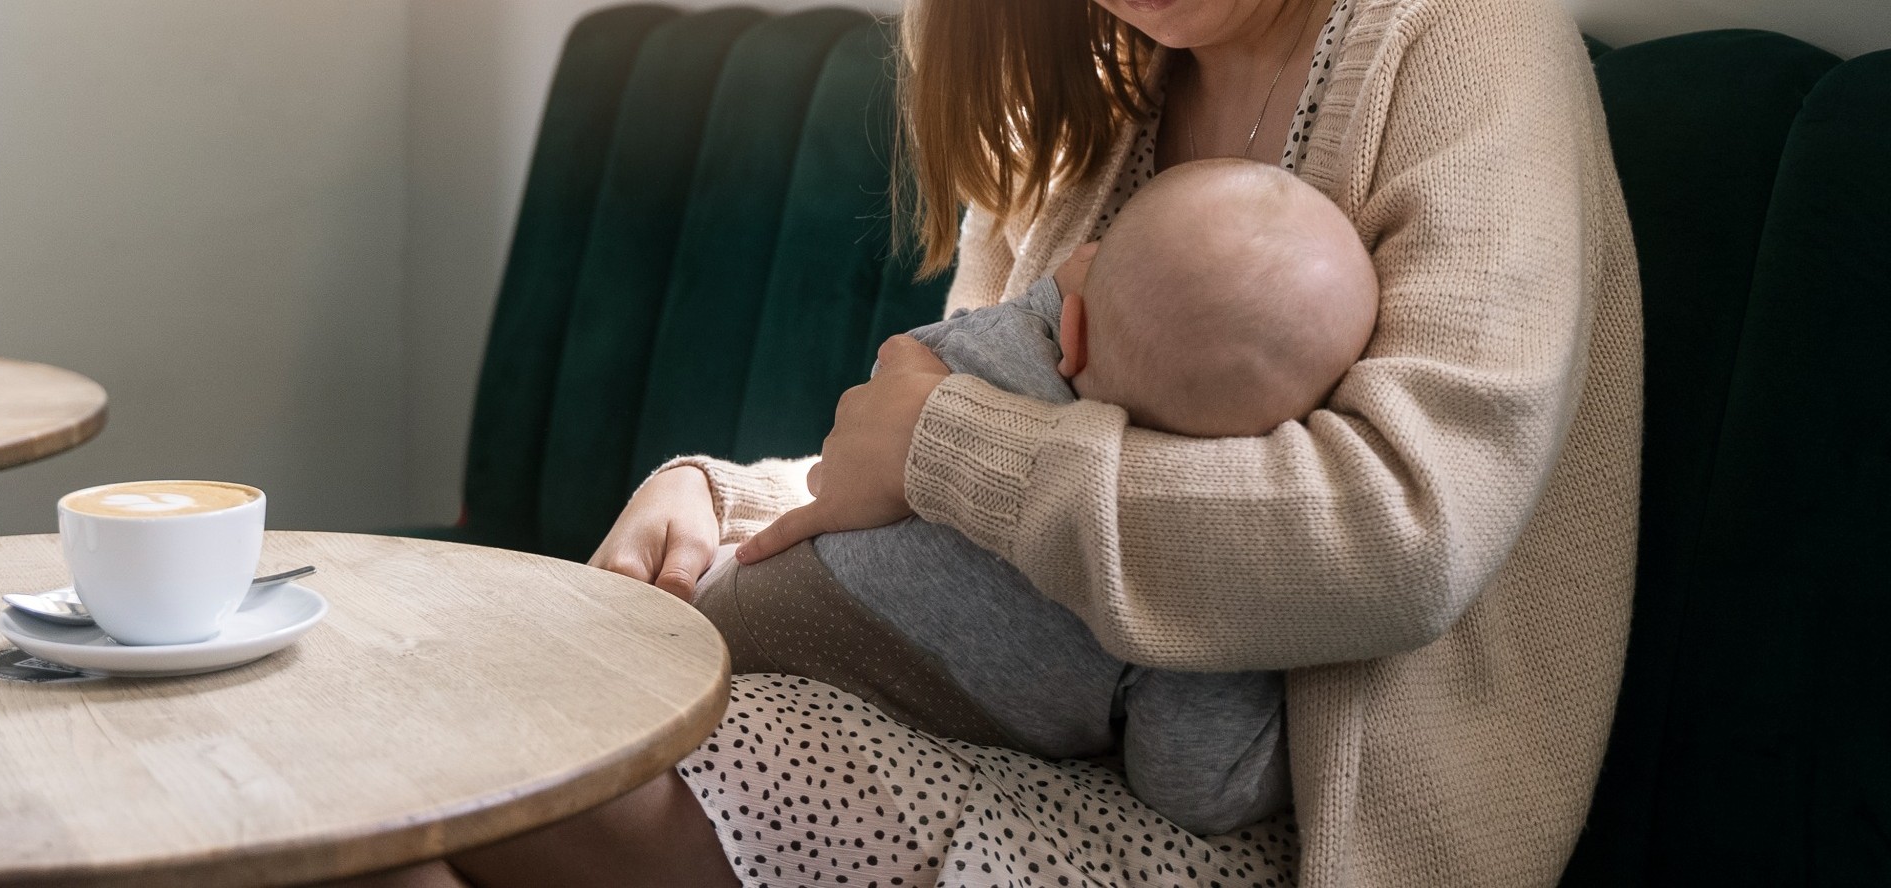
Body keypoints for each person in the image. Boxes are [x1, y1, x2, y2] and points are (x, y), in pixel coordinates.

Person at [336, 0, 1640, 884]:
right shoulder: (1116, 85)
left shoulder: (1464, 40)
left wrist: (948, 447)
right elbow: (956, 436)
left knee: (476, 791)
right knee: (406, 788)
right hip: (1008, 727)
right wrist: (722, 494)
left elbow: (1399, 533)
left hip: (1277, 836)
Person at [691, 157, 1379, 838]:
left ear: (1071, 330)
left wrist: (1060, 295)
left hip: (745, 609)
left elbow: (894, 376)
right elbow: (1199, 792)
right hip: (838, 727)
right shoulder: (1189, 597)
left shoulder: (1006, 349)